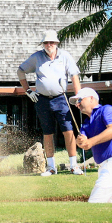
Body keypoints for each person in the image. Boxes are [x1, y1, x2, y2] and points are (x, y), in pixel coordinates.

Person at [17, 30, 83, 176]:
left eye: (51, 42)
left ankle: (74, 165)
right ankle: (51, 167)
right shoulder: (37, 57)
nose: (49, 45)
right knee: (48, 133)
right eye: (46, 43)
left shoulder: (65, 56)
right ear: (43, 44)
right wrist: (28, 90)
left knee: (68, 130)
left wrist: (79, 96)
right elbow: (21, 71)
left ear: (56, 43)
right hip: (42, 99)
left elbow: (74, 76)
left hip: (61, 98)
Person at [69, 88, 112, 203]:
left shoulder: (107, 110)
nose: (77, 104)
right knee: (108, 207)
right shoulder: (85, 124)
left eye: (80, 100)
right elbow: (85, 144)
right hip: (103, 167)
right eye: (76, 102)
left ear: (92, 98)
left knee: (94, 203)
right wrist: (81, 142)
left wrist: (90, 142)